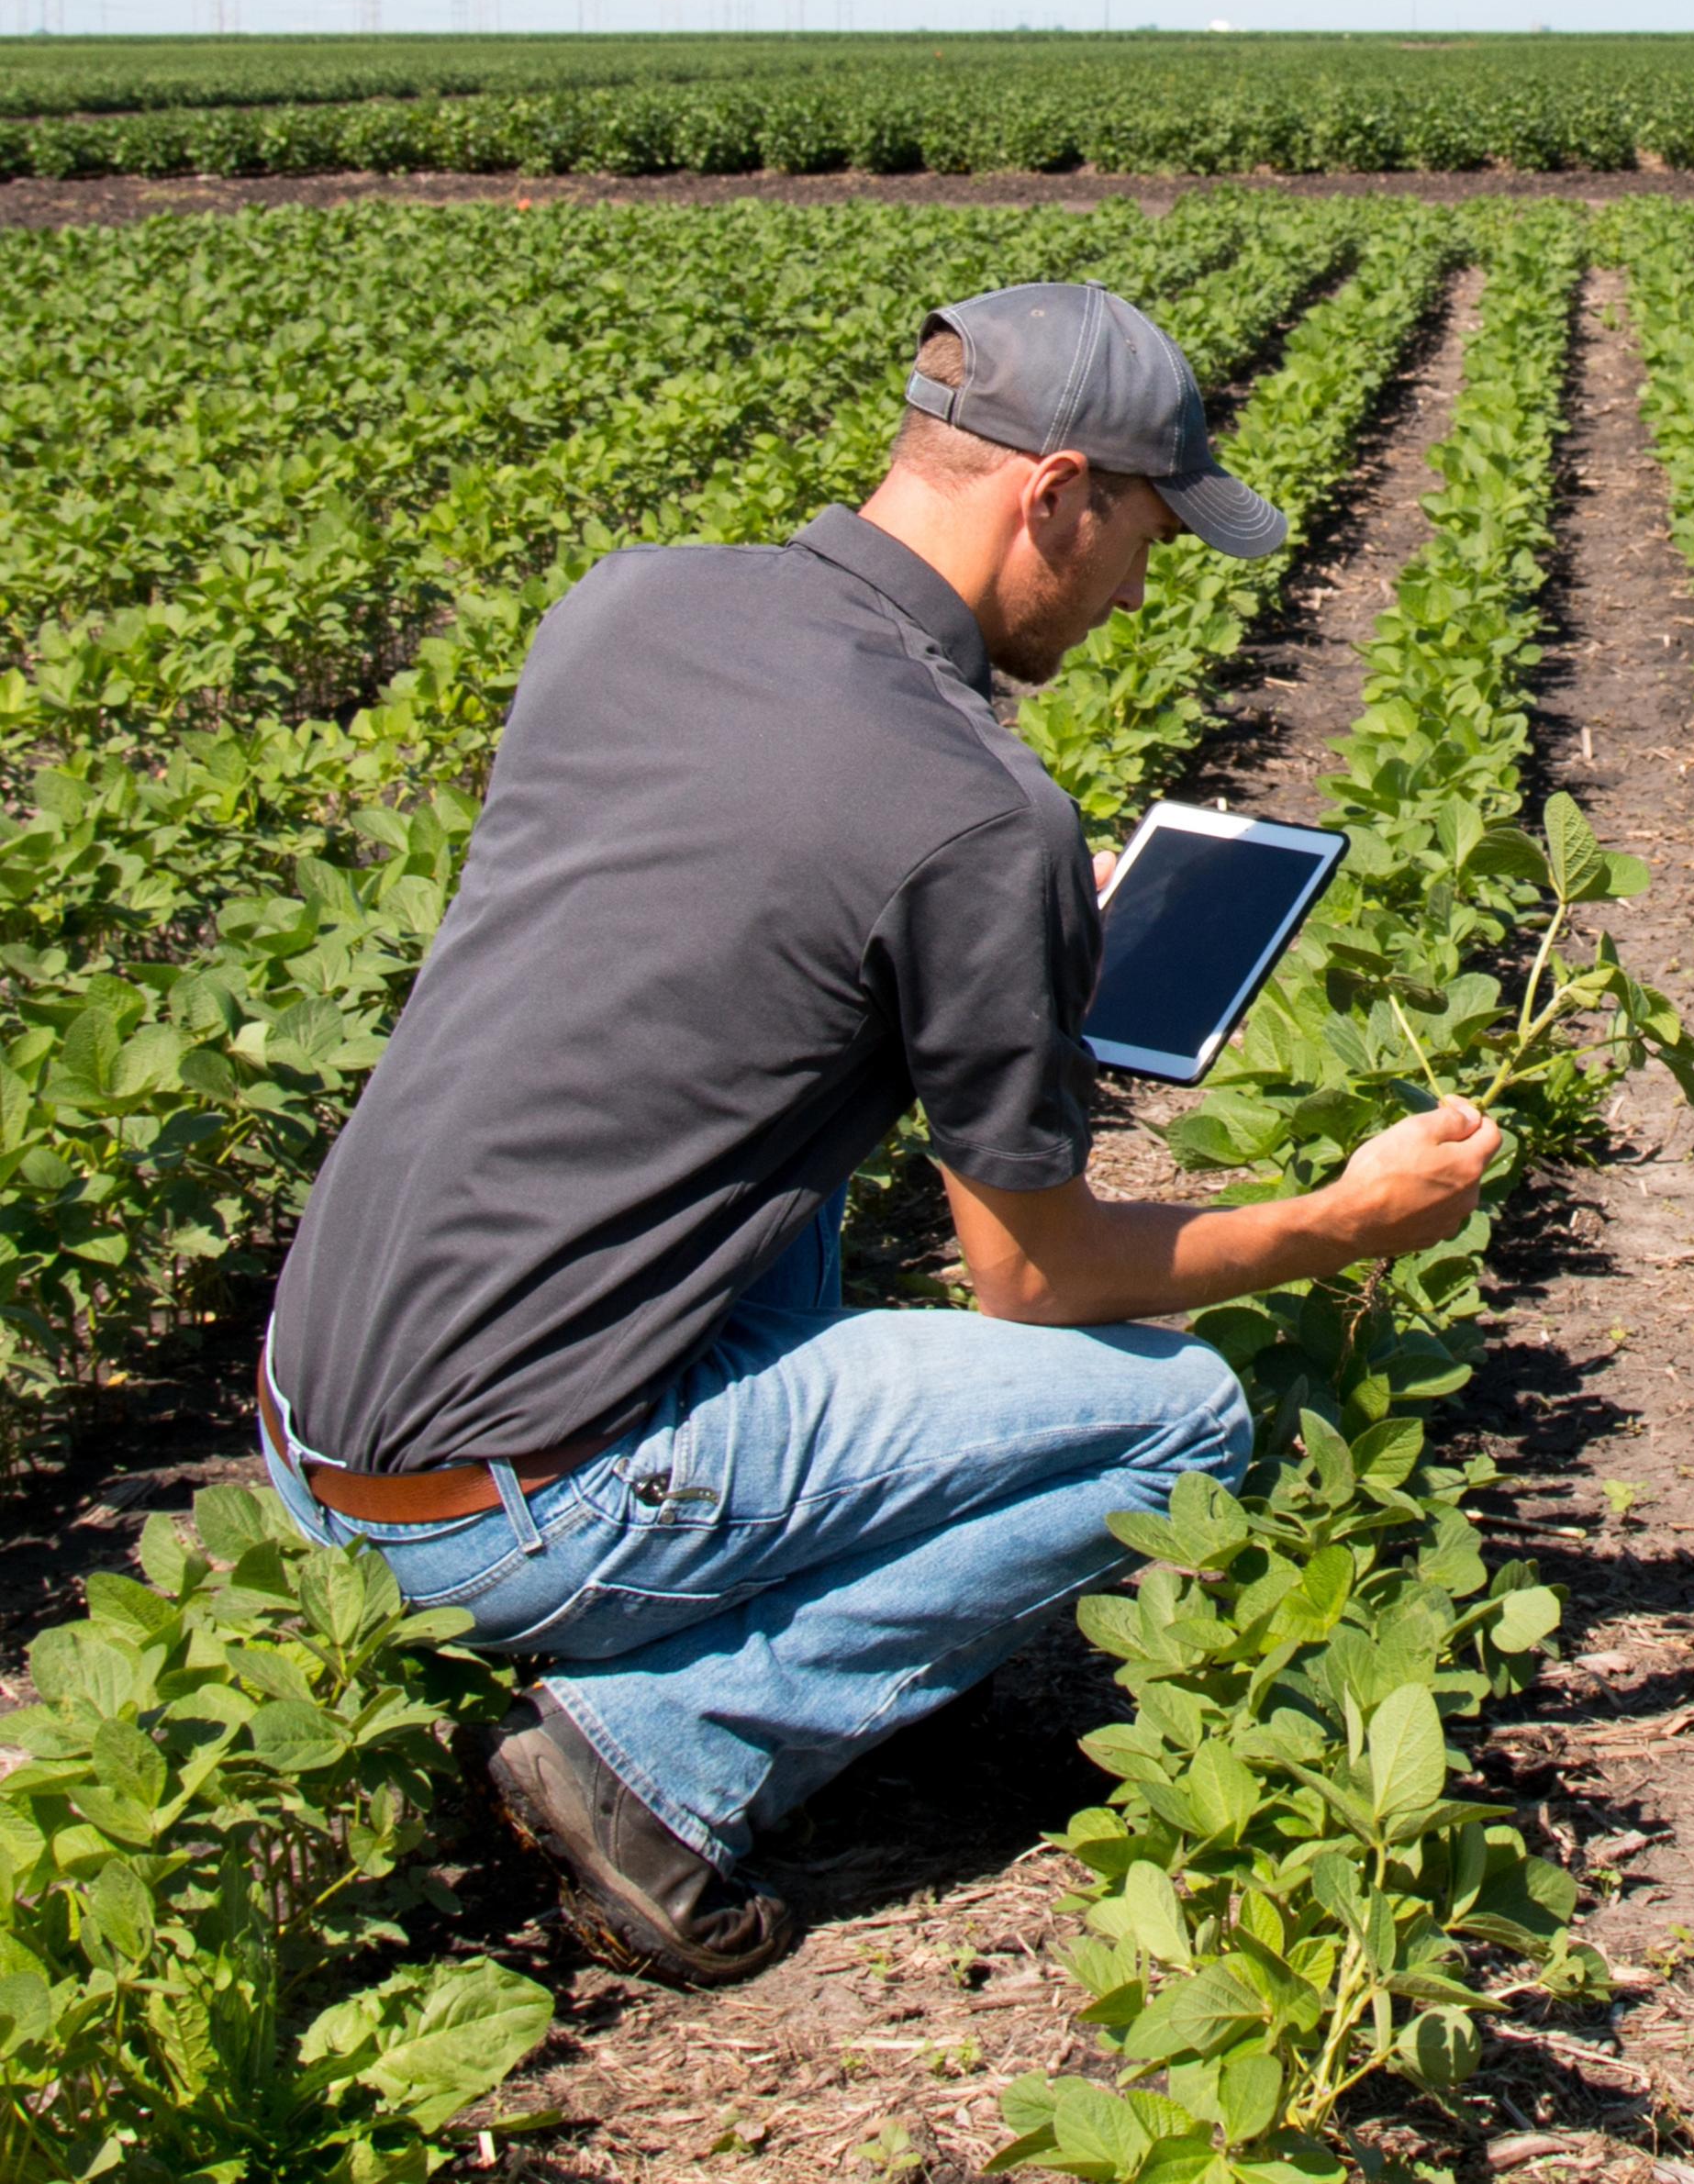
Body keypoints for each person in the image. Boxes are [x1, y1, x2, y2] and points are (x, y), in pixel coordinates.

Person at [255, 282, 1503, 1989]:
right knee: (1179, 1420)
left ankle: (627, 1567)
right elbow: (1032, 1280)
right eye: (1144, 529)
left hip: (314, 1422)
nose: (1144, 586)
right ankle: (661, 1762)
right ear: (1054, 492)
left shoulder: (631, 606)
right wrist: (1343, 1222)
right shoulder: (979, 816)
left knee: (791, 1158)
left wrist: (1010, 958)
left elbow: (727, 933)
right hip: (501, 1510)